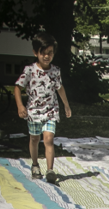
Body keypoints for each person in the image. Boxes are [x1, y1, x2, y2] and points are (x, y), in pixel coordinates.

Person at [14, 32, 72, 184]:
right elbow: (17, 88)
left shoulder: (55, 71)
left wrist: (66, 105)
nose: (47, 56)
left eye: (50, 53)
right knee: (34, 139)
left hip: (51, 111)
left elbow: (60, 89)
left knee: (49, 139)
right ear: (36, 52)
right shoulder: (29, 70)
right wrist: (20, 105)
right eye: (43, 53)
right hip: (33, 113)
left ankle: (50, 170)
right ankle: (34, 165)